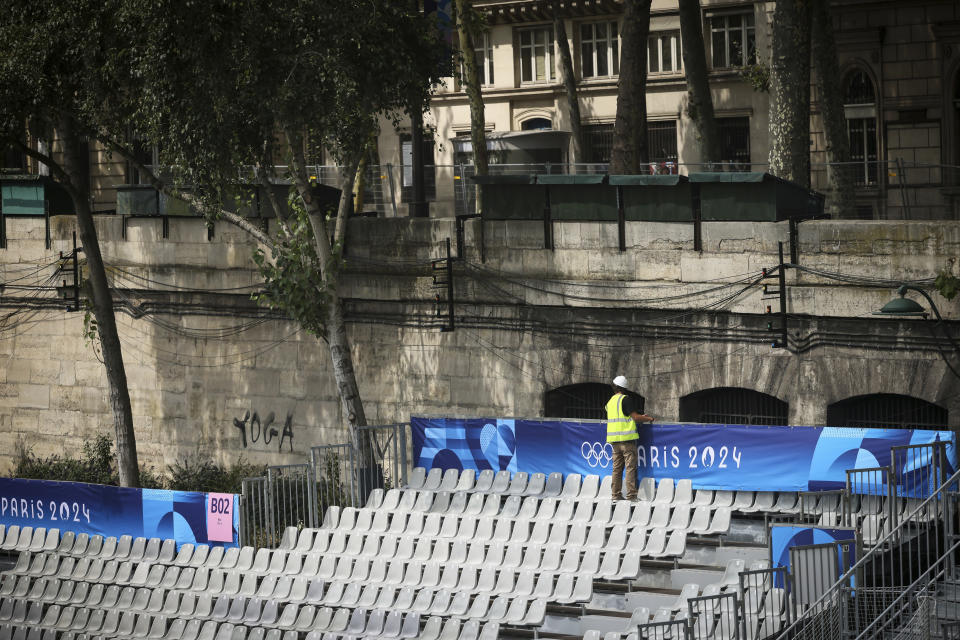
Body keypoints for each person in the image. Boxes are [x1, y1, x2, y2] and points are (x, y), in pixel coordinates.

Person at [606, 375, 653, 500]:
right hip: (627, 440)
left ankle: (615, 495)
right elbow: (635, 417)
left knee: (616, 469)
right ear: (625, 388)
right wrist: (648, 418)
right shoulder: (625, 399)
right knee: (630, 468)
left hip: (614, 441)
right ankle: (631, 495)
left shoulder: (610, 402)